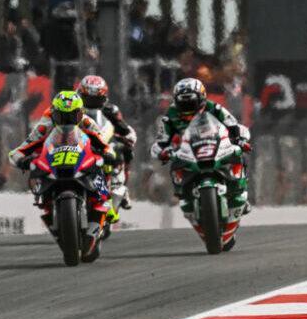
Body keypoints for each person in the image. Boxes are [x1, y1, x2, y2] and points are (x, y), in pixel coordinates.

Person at [8, 91, 120, 229]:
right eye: (62, 116)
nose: (67, 120)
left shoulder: (87, 123)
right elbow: (18, 151)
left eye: (73, 115)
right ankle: (46, 197)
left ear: (80, 113)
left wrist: (107, 154)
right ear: (54, 114)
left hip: (80, 153)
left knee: (104, 162)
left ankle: (106, 199)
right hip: (53, 156)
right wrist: (22, 160)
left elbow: (105, 146)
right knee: (35, 160)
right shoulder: (45, 125)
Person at [151, 77, 252, 216]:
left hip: (213, 144)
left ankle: (240, 191)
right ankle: (182, 195)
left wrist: (240, 139)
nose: (188, 107)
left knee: (239, 154)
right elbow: (160, 141)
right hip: (186, 150)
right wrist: (162, 152)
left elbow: (232, 124)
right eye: (183, 103)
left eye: (191, 102)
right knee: (174, 164)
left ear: (202, 99)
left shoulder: (214, 107)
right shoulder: (170, 115)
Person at [76, 75, 139, 212]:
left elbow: (125, 129)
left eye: (96, 99)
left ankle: (121, 187)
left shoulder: (111, 111)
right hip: (77, 145)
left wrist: (127, 137)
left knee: (124, 150)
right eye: (87, 98)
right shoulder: (72, 109)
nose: (91, 102)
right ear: (80, 95)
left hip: (103, 143)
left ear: (104, 98)